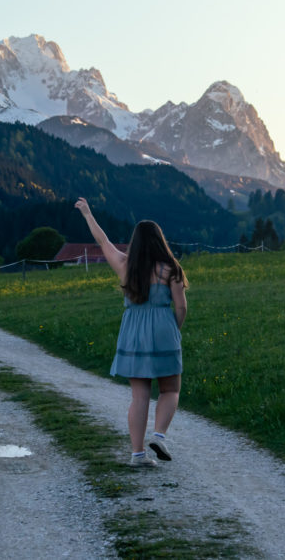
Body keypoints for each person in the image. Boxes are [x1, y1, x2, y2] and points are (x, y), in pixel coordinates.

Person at [75, 197, 188, 467]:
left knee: (139, 396)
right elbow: (181, 307)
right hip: (163, 327)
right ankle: (159, 435)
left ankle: (137, 454)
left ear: (135, 242)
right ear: (160, 241)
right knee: (170, 389)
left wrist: (88, 213)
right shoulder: (170, 269)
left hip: (133, 330)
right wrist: (174, 329)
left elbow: (102, 241)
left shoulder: (125, 266)